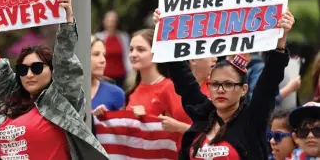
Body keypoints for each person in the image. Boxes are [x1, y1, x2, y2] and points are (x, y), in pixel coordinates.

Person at [0, 0, 108, 160]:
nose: (29, 74)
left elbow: (65, 61)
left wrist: (67, 19)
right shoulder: (11, 98)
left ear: (52, 71)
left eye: (37, 68)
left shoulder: (61, 100)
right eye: (23, 69)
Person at [159, 9, 294, 160]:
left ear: (243, 89)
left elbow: (268, 83)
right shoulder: (202, 114)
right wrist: (166, 30)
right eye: (215, 84)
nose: (220, 90)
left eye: (228, 84)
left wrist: (280, 43)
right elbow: (183, 79)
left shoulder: (252, 119)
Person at [125, 29, 191, 135]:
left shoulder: (170, 87)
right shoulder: (132, 91)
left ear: (156, 53)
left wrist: (147, 118)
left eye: (140, 50)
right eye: (131, 49)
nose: (133, 54)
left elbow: (189, 129)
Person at [95, 10, 131, 88]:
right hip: (104, 76)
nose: (111, 23)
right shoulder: (98, 37)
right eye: (109, 21)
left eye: (114, 21)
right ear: (104, 21)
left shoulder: (123, 37)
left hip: (121, 76)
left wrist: (129, 71)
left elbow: (127, 55)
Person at [91, 36, 125, 114]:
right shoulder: (67, 92)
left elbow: (122, 125)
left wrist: (106, 120)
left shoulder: (116, 93)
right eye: (96, 54)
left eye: (104, 55)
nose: (103, 60)